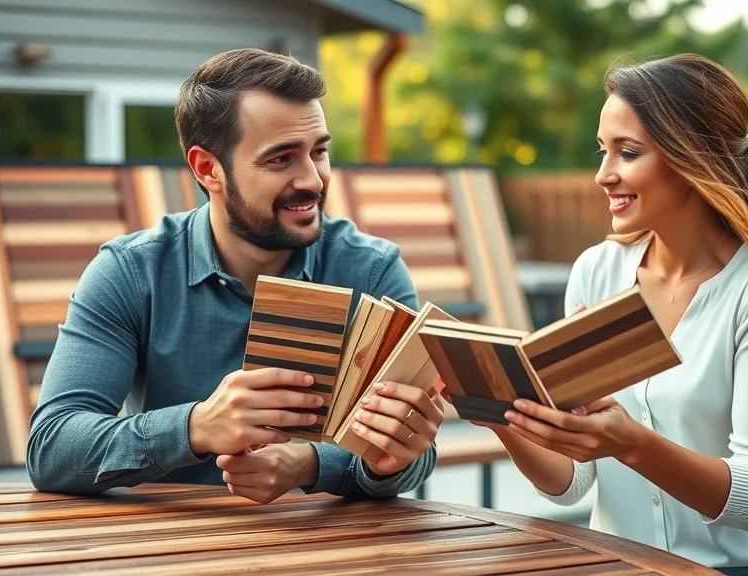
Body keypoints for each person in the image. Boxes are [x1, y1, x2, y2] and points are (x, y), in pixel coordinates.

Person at [474, 54, 748, 575]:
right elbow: (572, 482)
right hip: (632, 566)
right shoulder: (597, 273)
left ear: (694, 161)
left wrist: (633, 445)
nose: (603, 175)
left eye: (628, 152)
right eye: (602, 151)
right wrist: (501, 416)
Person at [26, 48, 442, 504]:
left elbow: (409, 456)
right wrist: (197, 426)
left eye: (318, 151)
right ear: (209, 169)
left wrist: (309, 463)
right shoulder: (131, 271)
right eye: (281, 159)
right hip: (168, 543)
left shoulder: (371, 269)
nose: (314, 180)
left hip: (327, 546)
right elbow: (53, 447)